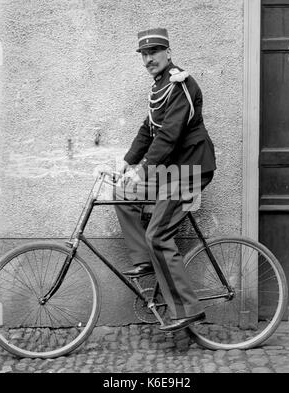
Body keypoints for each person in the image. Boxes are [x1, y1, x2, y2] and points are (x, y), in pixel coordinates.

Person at [114, 28, 216, 331]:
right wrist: (128, 162)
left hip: (190, 169)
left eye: (154, 52)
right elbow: (149, 128)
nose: (148, 59)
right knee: (123, 194)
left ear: (168, 53)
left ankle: (186, 309)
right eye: (144, 55)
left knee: (158, 234)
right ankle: (145, 259)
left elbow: (169, 135)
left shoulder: (181, 84)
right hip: (171, 169)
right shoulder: (159, 87)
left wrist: (143, 169)